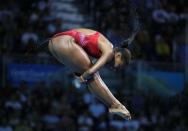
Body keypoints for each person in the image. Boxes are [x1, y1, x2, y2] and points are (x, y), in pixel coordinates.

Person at [48, 28, 132, 120]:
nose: (117, 67)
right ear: (119, 55)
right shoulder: (109, 51)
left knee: (90, 78)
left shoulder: (102, 48)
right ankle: (117, 105)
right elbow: (91, 71)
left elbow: (84, 66)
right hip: (63, 42)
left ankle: (113, 105)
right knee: (92, 74)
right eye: (120, 64)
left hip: (53, 44)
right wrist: (81, 78)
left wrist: (82, 76)